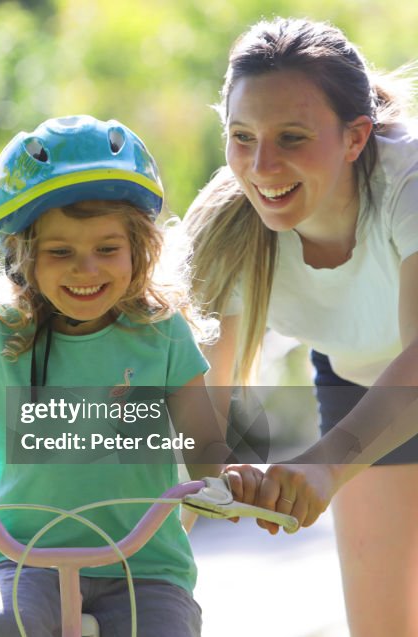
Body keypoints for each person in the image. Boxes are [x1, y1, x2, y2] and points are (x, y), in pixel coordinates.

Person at [0, 115, 240, 637]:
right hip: (22, 560)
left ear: (140, 249)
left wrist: (228, 480)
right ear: (23, 258)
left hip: (144, 567)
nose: (85, 269)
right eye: (61, 252)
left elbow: (205, 441)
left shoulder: (163, 334)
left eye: (107, 250)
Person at [183, 17, 418, 636]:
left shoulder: (409, 182)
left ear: (355, 137)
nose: (262, 166)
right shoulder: (229, 234)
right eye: (241, 136)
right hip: (360, 386)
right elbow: (200, 412)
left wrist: (324, 466)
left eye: (291, 137)